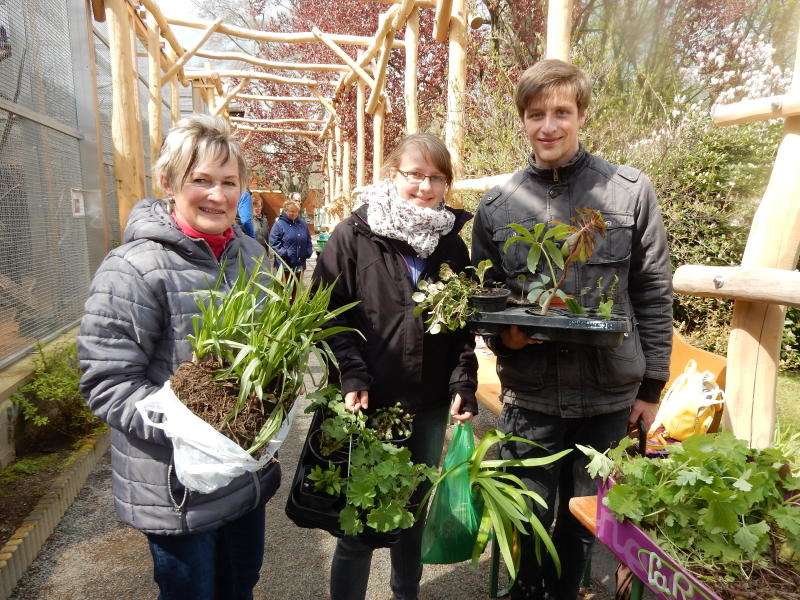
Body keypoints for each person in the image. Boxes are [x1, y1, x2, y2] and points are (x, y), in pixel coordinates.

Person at [471, 59, 673, 600]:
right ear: (522, 120)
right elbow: (486, 299)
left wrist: (651, 388)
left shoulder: (629, 193)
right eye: (536, 114)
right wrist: (502, 339)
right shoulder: (496, 207)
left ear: (581, 115)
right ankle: (526, 590)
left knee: (586, 521)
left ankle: (564, 593)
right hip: (531, 393)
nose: (549, 126)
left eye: (561, 112)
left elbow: (653, 293)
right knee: (527, 510)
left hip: (607, 394)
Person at [77, 115, 280, 600]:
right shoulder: (134, 267)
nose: (218, 195)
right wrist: (191, 428)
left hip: (244, 474)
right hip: (176, 486)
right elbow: (107, 382)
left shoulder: (253, 256)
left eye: (229, 182)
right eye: (201, 180)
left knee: (240, 586)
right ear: (168, 183)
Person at [313, 133, 479, 600]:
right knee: (360, 519)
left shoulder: (450, 245)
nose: (425, 187)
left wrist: (463, 381)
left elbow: (463, 325)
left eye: (437, 177)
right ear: (393, 174)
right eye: (415, 175)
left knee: (413, 510)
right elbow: (327, 313)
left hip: (426, 403)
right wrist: (353, 371)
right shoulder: (353, 235)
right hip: (369, 401)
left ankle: (406, 593)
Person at [268, 194, 313, 273]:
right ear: (286, 211)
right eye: (292, 211)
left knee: (298, 285)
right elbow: (273, 242)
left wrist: (308, 251)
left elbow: (308, 239)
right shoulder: (279, 224)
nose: (294, 214)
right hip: (285, 265)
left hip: (300, 264)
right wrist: (285, 253)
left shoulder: (302, 224)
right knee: (286, 285)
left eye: (296, 212)